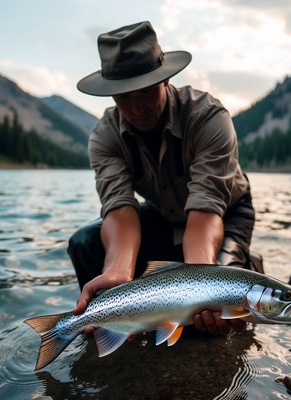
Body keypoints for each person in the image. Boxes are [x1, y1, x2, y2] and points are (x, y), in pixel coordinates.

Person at [68, 21, 262, 339]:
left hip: (224, 214)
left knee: (214, 321)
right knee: (84, 244)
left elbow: (204, 213)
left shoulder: (209, 118)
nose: (137, 107)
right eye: (123, 97)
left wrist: (203, 288)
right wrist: (118, 271)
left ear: (165, 78)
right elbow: (119, 210)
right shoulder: (105, 135)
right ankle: (112, 328)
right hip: (162, 215)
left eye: (145, 90)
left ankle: (245, 265)